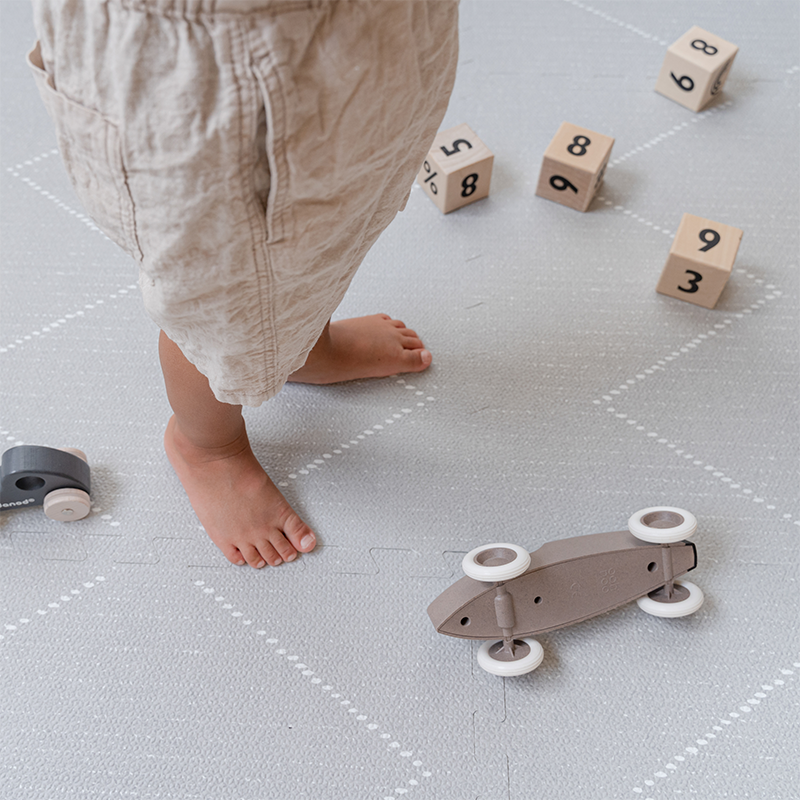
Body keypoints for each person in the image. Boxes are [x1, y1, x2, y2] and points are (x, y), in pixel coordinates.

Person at [29, 0, 459, 568]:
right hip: (204, 61)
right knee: (221, 292)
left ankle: (302, 342)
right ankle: (207, 446)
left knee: (314, 240)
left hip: (361, 36)